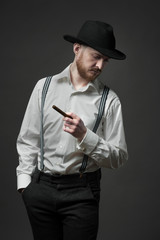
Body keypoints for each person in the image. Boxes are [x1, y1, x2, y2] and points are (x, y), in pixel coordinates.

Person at [16, 20, 128, 240]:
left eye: (106, 60)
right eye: (96, 56)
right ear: (77, 49)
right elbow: (28, 139)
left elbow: (119, 157)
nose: (101, 66)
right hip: (40, 189)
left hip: (82, 192)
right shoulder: (44, 87)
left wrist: (85, 136)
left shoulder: (109, 100)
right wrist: (24, 185)